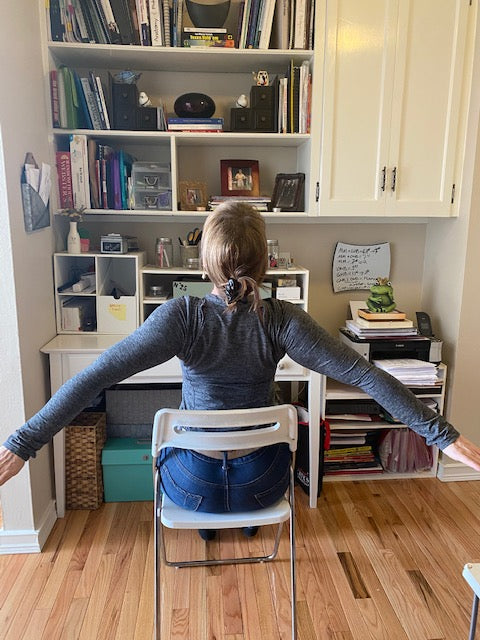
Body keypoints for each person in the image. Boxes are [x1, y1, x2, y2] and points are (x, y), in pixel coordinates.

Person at [1, 203, 480, 537]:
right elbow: (364, 375)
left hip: (192, 486)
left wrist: (22, 444)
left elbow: (92, 376)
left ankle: (210, 525)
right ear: (265, 262)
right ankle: (248, 517)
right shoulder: (281, 319)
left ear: (206, 261)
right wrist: (442, 436)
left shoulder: (180, 317)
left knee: (182, 453)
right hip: (264, 483)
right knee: (259, 460)